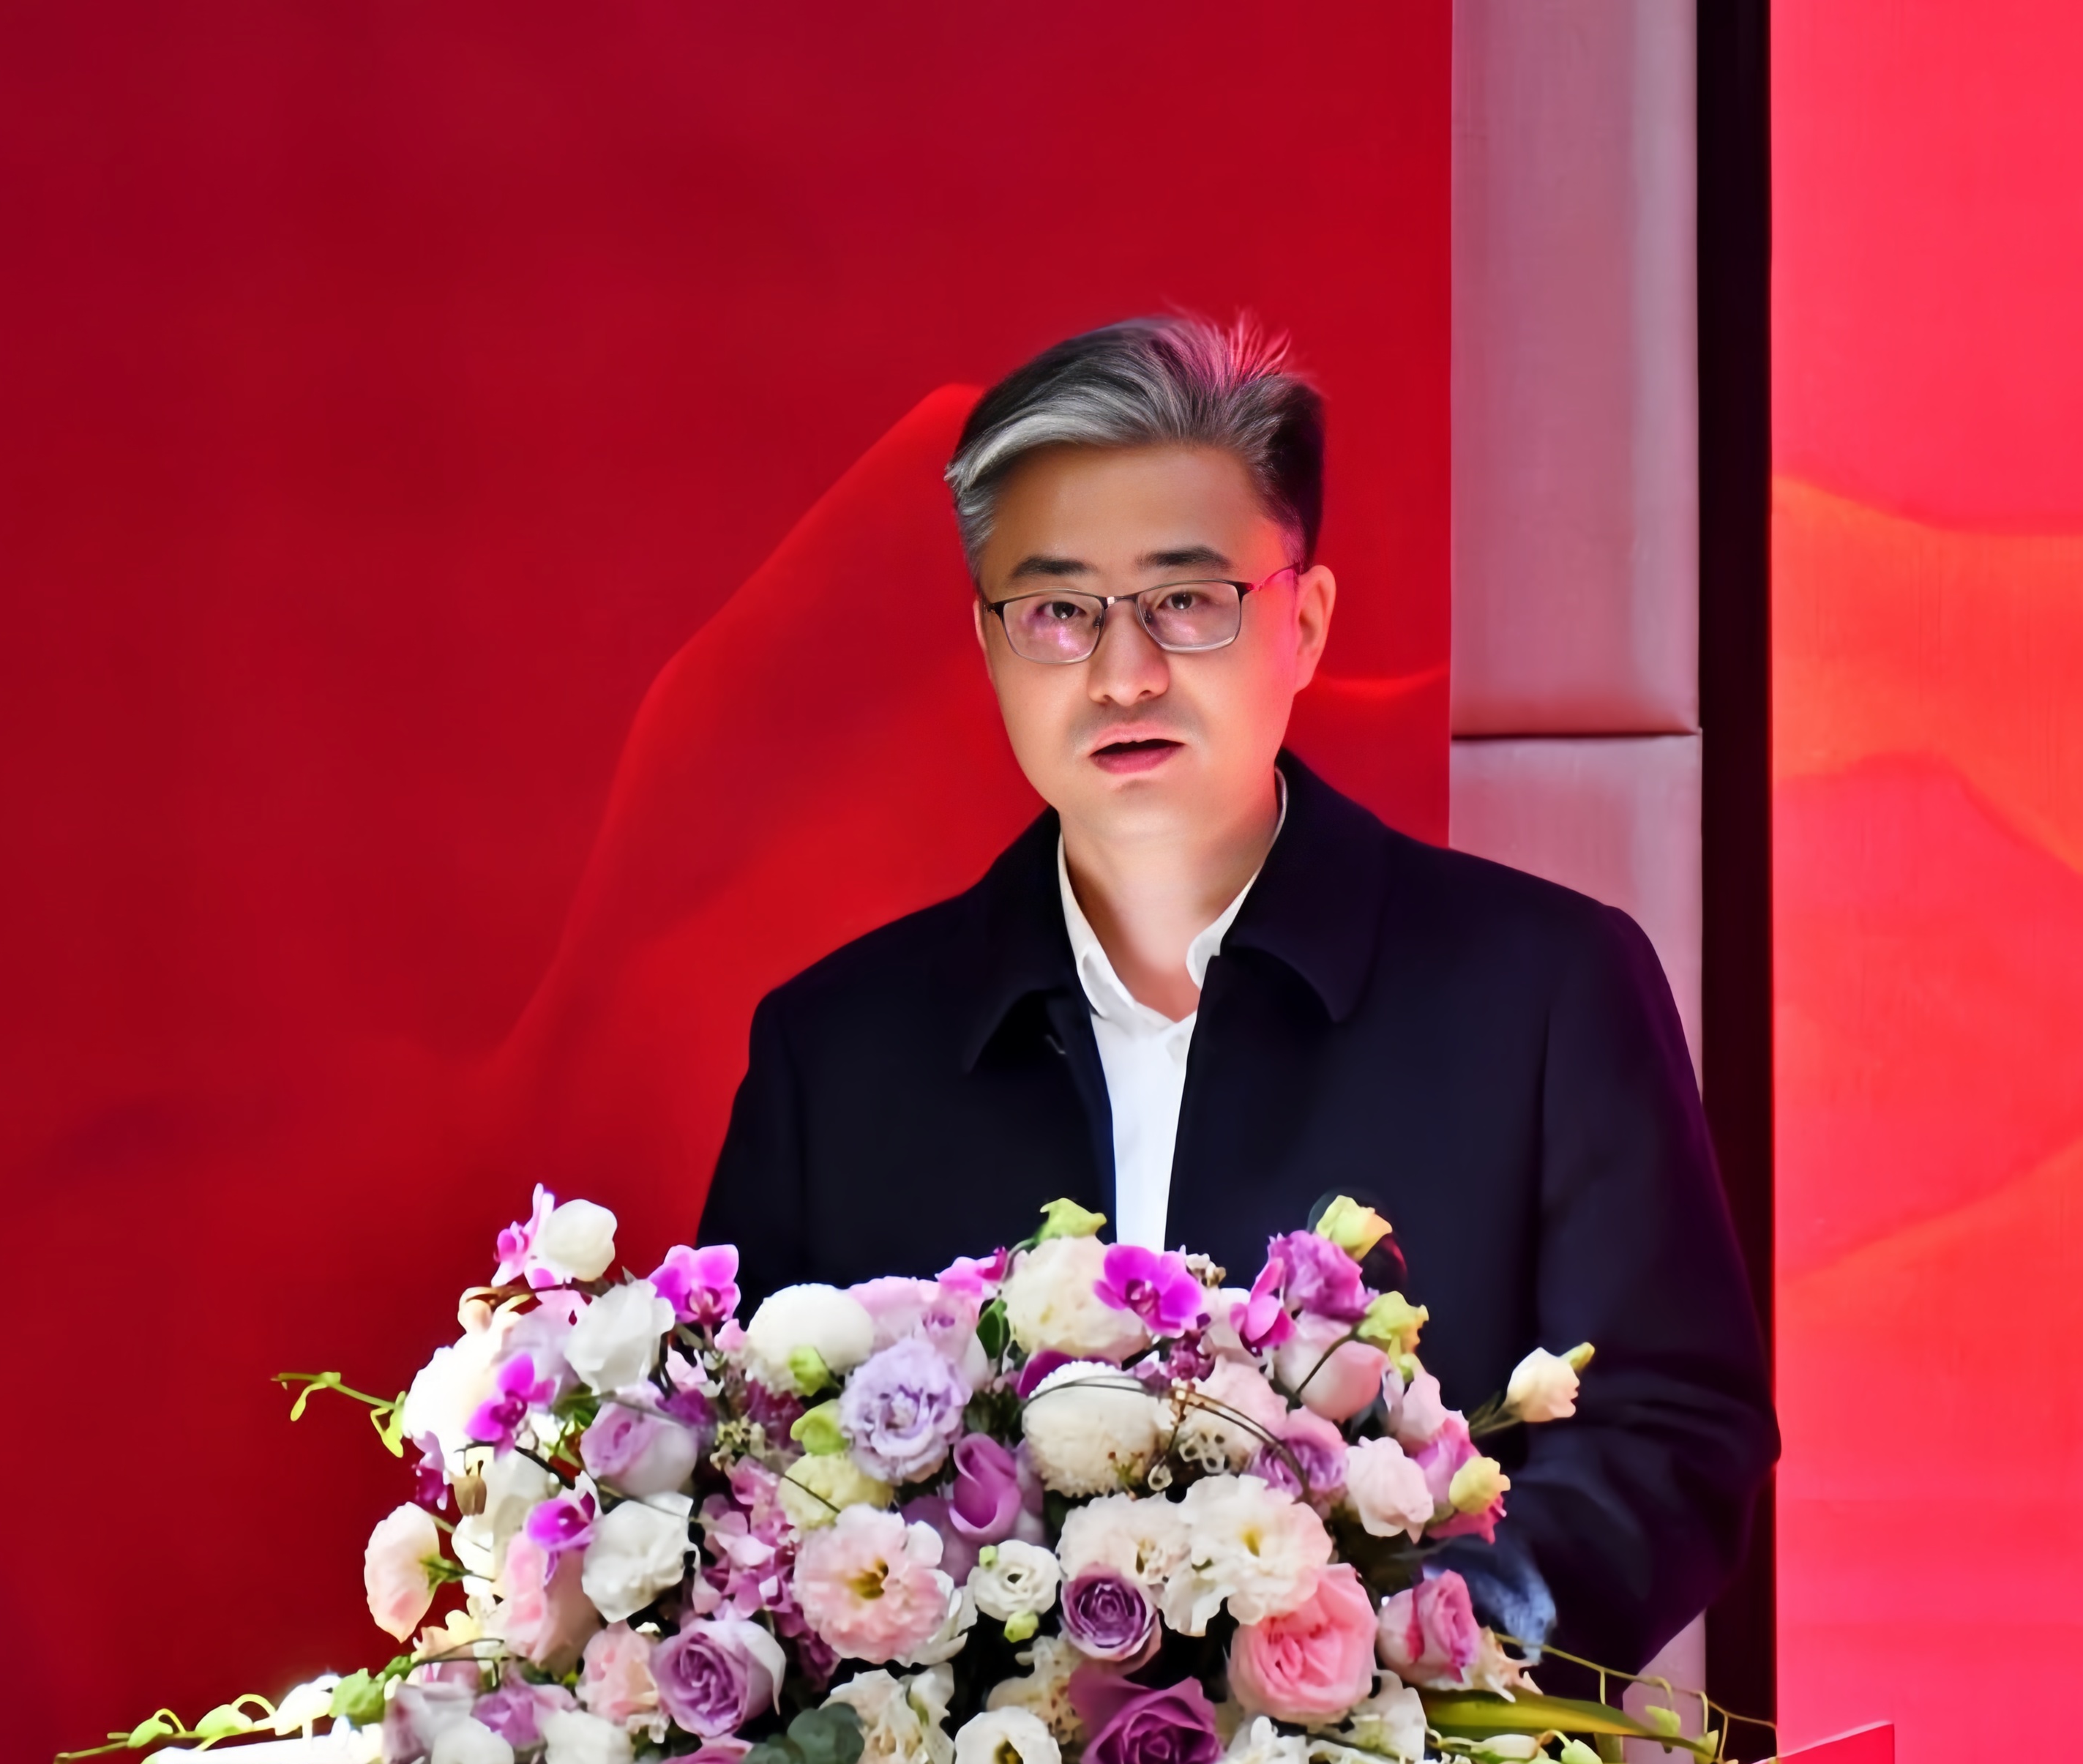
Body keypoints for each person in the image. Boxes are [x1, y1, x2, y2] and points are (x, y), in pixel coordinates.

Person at [698, 315, 1772, 1673]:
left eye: (1187, 601)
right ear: (990, 646)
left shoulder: (1545, 993)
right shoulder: (839, 1055)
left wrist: (1398, 1659)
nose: (1124, 674)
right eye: (1059, 613)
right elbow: (741, 1472)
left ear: (1305, 624)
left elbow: (1670, 1430)